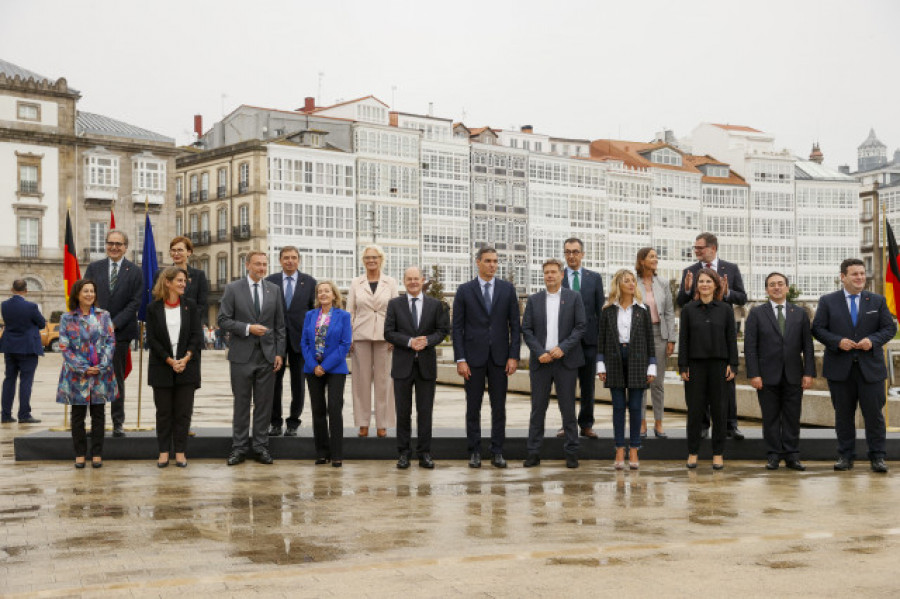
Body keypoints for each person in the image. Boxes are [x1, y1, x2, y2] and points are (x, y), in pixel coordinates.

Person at [811, 258, 896, 473]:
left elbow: (889, 329)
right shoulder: (828, 301)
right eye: (854, 274)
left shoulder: (877, 301)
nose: (859, 277)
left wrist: (873, 341)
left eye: (861, 273)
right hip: (840, 369)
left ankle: (877, 457)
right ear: (843, 277)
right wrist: (837, 341)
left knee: (874, 416)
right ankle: (845, 456)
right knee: (843, 416)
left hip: (871, 370)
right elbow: (818, 329)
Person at [452, 246, 521, 468]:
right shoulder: (464, 290)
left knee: (498, 407)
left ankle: (497, 451)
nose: (492, 265)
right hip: (473, 359)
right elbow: (457, 328)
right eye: (488, 261)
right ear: (478, 262)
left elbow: (515, 327)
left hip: (500, 359)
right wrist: (460, 359)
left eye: (495, 261)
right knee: (473, 407)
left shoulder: (507, 289)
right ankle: (474, 451)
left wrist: (514, 356)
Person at [676, 232, 747, 440]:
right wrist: (688, 289)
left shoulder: (731, 269)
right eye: (695, 248)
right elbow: (682, 302)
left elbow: (742, 298)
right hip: (698, 333)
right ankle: (703, 425)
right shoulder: (690, 271)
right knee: (700, 384)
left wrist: (726, 293)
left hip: (722, 331)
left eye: (700, 248)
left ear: (712, 248)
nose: (696, 251)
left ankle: (729, 425)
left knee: (727, 381)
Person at [218, 251, 285, 466]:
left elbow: (280, 326)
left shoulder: (274, 290)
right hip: (241, 356)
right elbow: (223, 320)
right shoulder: (233, 289)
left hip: (267, 356)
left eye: (265, 265)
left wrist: (279, 353)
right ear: (247, 265)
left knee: (264, 404)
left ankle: (260, 447)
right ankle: (239, 448)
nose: (262, 268)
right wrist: (247, 328)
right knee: (242, 403)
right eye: (257, 264)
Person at [744, 272, 815, 471]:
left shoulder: (800, 313)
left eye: (780, 284)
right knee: (770, 417)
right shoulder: (757, 313)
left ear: (787, 288)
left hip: (794, 375)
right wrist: (754, 374)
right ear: (767, 289)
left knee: (793, 416)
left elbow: (808, 346)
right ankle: (773, 455)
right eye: (772, 284)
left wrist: (808, 373)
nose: (776, 287)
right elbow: (750, 347)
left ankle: (792, 455)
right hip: (766, 377)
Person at [383, 266, 450, 469]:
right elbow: (388, 333)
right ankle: (403, 453)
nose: (413, 282)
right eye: (409, 279)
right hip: (402, 365)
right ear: (404, 281)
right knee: (403, 412)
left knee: (425, 411)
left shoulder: (435, 305)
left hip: (426, 366)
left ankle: (424, 454)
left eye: (416, 279)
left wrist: (427, 340)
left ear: (423, 280)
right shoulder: (394, 304)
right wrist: (410, 341)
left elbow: (443, 330)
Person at [522, 259, 586, 468]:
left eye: (553, 272)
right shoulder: (534, 300)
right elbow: (527, 330)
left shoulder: (574, 298)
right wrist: (540, 352)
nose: (549, 275)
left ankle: (572, 453)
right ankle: (533, 453)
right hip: (541, 362)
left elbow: (580, 326)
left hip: (565, 361)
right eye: (546, 272)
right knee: (537, 409)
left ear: (561, 275)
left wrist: (563, 348)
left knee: (567, 409)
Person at [84, 229, 143, 437]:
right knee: (95, 379)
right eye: (111, 243)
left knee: (117, 379)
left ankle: (118, 422)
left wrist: (113, 324)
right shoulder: (94, 268)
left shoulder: (135, 271)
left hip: (121, 333)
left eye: (119, 244)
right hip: (94, 333)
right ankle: (96, 423)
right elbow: (86, 296)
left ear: (126, 247)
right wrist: (98, 323)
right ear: (106, 244)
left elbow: (135, 302)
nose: (114, 247)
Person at [679, 268, 738, 470]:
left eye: (708, 281)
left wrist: (733, 364)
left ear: (716, 285)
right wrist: (682, 366)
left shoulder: (725, 310)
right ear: (697, 285)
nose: (704, 284)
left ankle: (718, 454)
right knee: (694, 411)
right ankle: (692, 452)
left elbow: (732, 339)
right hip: (695, 366)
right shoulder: (688, 309)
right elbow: (683, 339)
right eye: (701, 281)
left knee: (720, 411)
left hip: (719, 366)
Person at [597, 269, 656, 470]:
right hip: (614, 360)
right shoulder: (607, 311)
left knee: (636, 407)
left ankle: (634, 449)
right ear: (618, 285)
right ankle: (619, 449)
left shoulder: (643, 310)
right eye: (626, 281)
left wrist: (652, 366)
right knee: (618, 407)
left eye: (633, 281)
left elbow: (650, 340)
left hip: (638, 360)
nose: (631, 284)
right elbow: (601, 340)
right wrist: (600, 364)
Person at [56, 279, 117, 468]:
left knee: (98, 414)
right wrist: (83, 367)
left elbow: (110, 341)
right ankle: (80, 454)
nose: (90, 294)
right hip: (76, 375)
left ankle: (97, 453)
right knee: (78, 416)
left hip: (100, 374)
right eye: (85, 291)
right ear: (77, 294)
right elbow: (64, 346)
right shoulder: (67, 318)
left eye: (92, 291)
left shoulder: (104, 315)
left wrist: (102, 365)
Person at [146, 267, 203, 468]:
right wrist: (170, 360)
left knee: (183, 413)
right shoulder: (153, 308)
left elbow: (197, 336)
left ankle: (180, 452)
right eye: (179, 280)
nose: (183, 284)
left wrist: (185, 358)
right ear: (167, 282)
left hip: (187, 367)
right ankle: (163, 452)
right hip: (162, 368)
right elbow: (152, 340)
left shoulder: (191, 306)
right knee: (163, 413)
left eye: (184, 281)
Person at [347, 245, 399, 438]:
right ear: (363, 260)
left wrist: (395, 336)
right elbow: (350, 312)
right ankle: (363, 423)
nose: (371, 260)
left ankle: (382, 423)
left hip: (385, 338)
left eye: (374, 257)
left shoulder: (390, 282)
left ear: (381, 259)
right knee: (360, 382)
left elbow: (396, 311)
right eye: (367, 257)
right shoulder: (355, 283)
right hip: (360, 336)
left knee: (384, 381)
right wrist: (349, 337)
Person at [265, 246, 316, 437]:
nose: (290, 261)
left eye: (294, 258)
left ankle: (293, 422)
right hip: (275, 341)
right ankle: (275, 423)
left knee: (298, 384)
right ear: (280, 260)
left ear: (299, 260)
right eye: (286, 258)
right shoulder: (270, 281)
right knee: (273, 384)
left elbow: (314, 312)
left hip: (300, 341)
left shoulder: (309, 282)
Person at [301, 281, 352, 467]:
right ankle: (322, 453)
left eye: (327, 291)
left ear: (334, 295)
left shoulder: (344, 316)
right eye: (320, 291)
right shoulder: (310, 315)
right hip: (312, 369)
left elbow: (344, 344)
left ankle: (337, 454)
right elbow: (304, 343)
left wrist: (325, 366)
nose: (323, 294)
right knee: (318, 411)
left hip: (335, 369)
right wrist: (314, 365)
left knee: (334, 409)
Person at [559, 237, 604, 439]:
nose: (571, 256)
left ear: (582, 254)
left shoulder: (594, 278)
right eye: (568, 252)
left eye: (575, 251)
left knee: (588, 386)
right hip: (565, 343)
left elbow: (599, 312)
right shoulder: (558, 278)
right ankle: (566, 425)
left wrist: (601, 345)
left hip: (589, 342)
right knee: (566, 387)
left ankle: (586, 424)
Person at [635, 247, 677, 438]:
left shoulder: (663, 283)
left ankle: (658, 423)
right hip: (638, 336)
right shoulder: (632, 282)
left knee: (657, 382)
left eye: (656, 257)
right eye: (652, 256)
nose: (656, 259)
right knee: (642, 382)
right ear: (642, 260)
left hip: (660, 334)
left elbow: (669, 312)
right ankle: (641, 423)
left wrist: (671, 338)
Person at [0, 279, 46, 424]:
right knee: (26, 381)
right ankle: (24, 414)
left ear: (12, 290)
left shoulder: (4, 305)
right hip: (28, 347)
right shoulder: (31, 306)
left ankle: (6, 415)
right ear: (26, 291)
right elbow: (42, 323)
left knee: (9, 380)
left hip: (10, 347)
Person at [165, 236, 209, 324]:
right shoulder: (161, 275)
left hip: (190, 326)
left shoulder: (199, 276)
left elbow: (202, 305)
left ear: (189, 252)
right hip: (167, 325)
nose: (176, 253)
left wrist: (187, 321)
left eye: (180, 250)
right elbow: (156, 302)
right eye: (173, 250)